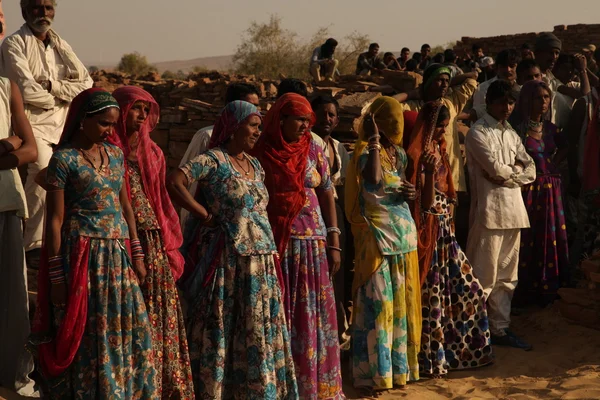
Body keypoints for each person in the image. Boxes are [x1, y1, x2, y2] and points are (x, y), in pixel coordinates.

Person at [167, 101, 298, 399]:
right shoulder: (213, 160)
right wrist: (204, 214)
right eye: (252, 125)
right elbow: (175, 181)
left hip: (262, 261)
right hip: (230, 261)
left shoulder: (255, 165)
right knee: (226, 325)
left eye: (259, 126)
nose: (257, 131)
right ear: (233, 126)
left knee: (259, 329)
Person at [32, 88, 157, 398]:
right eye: (103, 123)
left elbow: (126, 209)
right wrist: (57, 275)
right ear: (82, 121)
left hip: (118, 256)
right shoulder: (64, 160)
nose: (110, 131)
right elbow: (56, 220)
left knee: (130, 328)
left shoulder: (115, 156)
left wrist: (137, 255)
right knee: (91, 330)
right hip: (83, 257)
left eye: (113, 125)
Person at [253, 93, 344, 399]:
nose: (305, 126)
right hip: (282, 243)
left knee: (314, 316)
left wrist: (334, 238)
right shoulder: (263, 151)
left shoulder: (315, 146)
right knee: (286, 314)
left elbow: (328, 192)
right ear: (281, 120)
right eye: (299, 120)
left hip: (315, 242)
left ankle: (317, 386)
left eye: (308, 120)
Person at [108, 86, 194, 399]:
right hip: (113, 239)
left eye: (147, 109)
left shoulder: (153, 152)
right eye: (136, 108)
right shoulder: (104, 149)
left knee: (155, 309)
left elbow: (159, 200)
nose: (143, 115)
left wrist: (168, 245)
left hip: (151, 237)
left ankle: (157, 384)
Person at [0, 0, 93, 262]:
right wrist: (63, 97)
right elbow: (26, 90)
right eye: (37, 8)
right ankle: (34, 246)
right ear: (25, 10)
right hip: (31, 125)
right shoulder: (14, 43)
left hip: (63, 125)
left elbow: (86, 84)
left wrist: (52, 85)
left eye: (48, 8)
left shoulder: (60, 44)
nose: (43, 14)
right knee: (43, 171)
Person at [406, 102, 492, 378]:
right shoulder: (419, 155)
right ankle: (433, 358)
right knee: (435, 295)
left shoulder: (439, 151)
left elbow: (448, 195)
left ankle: (458, 355)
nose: (443, 131)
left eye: (445, 126)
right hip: (431, 232)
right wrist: (429, 173)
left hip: (446, 229)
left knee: (468, 290)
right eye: (439, 126)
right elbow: (426, 203)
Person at [345, 97, 421, 395]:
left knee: (399, 306)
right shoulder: (366, 152)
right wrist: (374, 139)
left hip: (402, 238)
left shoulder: (399, 154)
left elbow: (399, 185)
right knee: (379, 306)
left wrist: (411, 191)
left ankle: (398, 373)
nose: (397, 125)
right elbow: (374, 181)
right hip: (376, 238)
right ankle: (373, 374)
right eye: (390, 119)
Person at [465, 80, 535, 350]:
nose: (506, 107)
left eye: (511, 102)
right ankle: (474, 332)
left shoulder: (511, 134)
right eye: (502, 102)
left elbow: (531, 169)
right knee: (483, 277)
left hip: (514, 212)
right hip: (489, 213)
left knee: (507, 278)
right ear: (489, 103)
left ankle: (500, 329)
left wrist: (509, 174)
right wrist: (510, 171)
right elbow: (493, 169)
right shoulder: (477, 133)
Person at [510, 80, 569, 306]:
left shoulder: (552, 128)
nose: (543, 102)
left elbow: (565, 146)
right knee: (529, 238)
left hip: (552, 190)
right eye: (538, 97)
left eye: (546, 97)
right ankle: (527, 290)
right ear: (527, 100)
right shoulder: (518, 131)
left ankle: (550, 287)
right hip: (529, 191)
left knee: (551, 236)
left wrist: (553, 163)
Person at [0, 78, 39, 397]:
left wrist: (8, 146)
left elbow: (30, 149)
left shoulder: (6, 86)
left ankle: (11, 372)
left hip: (7, 200)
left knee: (12, 293)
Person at [178, 82, 260, 229]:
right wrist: (201, 214)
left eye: (256, 106)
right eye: (247, 105)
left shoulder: (252, 141)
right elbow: (186, 181)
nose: (252, 110)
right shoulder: (206, 136)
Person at [396, 63, 479, 193]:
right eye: (439, 80)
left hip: (451, 174)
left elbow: (472, 78)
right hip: (424, 175)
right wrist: (411, 94)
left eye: (447, 81)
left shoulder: (450, 103)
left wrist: (448, 82)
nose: (445, 84)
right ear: (429, 82)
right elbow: (389, 104)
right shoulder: (414, 107)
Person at [310, 94, 352, 346]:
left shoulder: (338, 148)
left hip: (335, 213)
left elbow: (344, 186)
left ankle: (337, 332)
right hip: (314, 213)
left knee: (338, 274)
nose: (326, 119)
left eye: (331, 115)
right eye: (322, 113)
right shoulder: (308, 143)